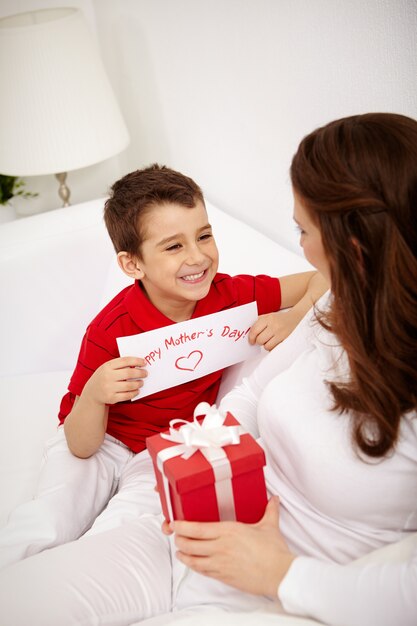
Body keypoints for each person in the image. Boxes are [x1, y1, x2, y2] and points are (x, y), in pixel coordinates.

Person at [1, 112, 415, 626]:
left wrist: (279, 574)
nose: (301, 245)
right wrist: (191, 466)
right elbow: (248, 395)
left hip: (276, 577)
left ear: (352, 242)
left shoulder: (234, 296)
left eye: (302, 229)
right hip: (187, 505)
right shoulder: (336, 306)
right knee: (25, 584)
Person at [0, 164, 326, 570]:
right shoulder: (109, 329)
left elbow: (323, 277)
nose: (198, 256)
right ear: (133, 265)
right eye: (174, 246)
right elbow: (79, 445)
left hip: (168, 445)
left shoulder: (230, 295)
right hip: (101, 441)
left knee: (123, 531)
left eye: (204, 235)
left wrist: (291, 319)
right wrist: (96, 392)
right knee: (50, 519)